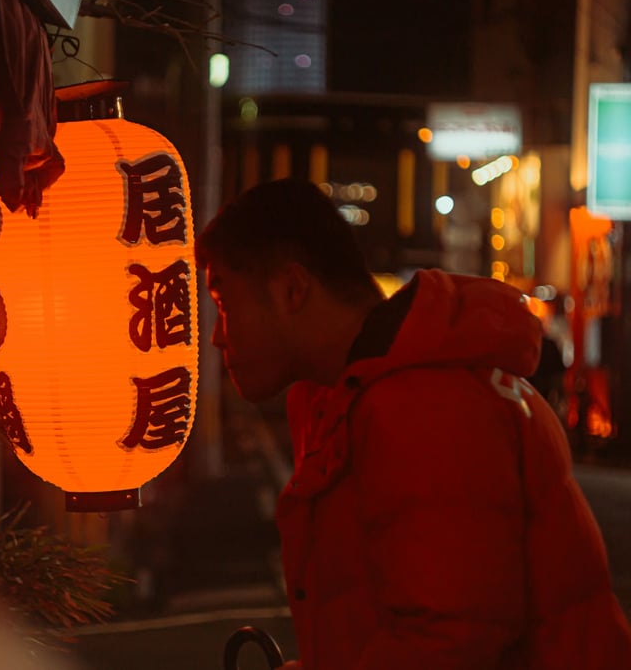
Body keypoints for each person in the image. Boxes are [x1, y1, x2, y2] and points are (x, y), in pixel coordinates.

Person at [197, 178, 631, 669]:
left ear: (292, 289)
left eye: (225, 305)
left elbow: (448, 641)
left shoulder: (423, 406)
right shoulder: (356, 394)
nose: (216, 336)